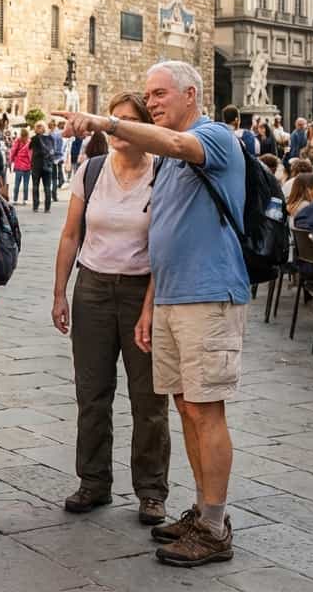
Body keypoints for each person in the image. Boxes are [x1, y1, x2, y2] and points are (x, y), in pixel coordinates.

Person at [59, 61, 250, 568]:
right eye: (148, 94)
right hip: (170, 297)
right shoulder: (163, 161)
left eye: (160, 93)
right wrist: (151, 305)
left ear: (192, 93)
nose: (154, 101)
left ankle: (214, 523)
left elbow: (177, 145)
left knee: (206, 408)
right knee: (187, 406)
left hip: (208, 294)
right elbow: (161, 237)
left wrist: (107, 123)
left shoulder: (214, 137)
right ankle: (200, 510)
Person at [51, 92, 169, 526]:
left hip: (141, 290)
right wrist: (60, 292)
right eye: (112, 119)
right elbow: (69, 235)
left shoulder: (162, 173)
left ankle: (152, 490)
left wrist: (151, 307)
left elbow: (164, 247)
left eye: (126, 121)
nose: (116, 128)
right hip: (93, 288)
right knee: (92, 392)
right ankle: (94, 481)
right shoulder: (92, 169)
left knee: (149, 399)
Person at [30, 121, 56, 213]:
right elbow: (53, 151)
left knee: (35, 186)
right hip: (47, 165)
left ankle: (36, 206)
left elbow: (30, 149)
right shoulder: (51, 138)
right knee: (47, 187)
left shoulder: (34, 138)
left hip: (36, 165)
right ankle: (47, 208)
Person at [10, 127, 32, 205]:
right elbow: (31, 155)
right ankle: (25, 200)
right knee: (26, 184)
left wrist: (11, 160)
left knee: (17, 183)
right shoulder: (29, 142)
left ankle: (15, 199)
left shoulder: (18, 141)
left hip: (19, 165)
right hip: (27, 166)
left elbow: (13, 151)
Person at [51, 120, 67, 192]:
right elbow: (60, 146)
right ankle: (61, 181)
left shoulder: (55, 133)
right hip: (59, 155)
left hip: (56, 155)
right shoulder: (59, 133)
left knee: (56, 171)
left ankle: (59, 182)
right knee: (59, 169)